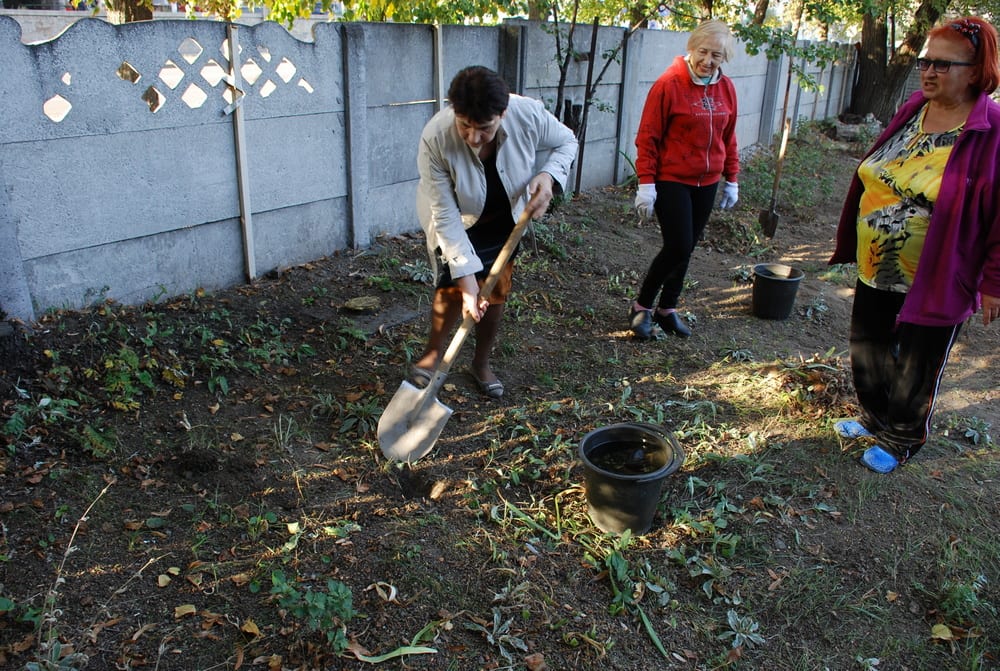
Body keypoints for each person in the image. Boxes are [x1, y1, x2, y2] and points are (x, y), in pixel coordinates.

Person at [829, 16, 1000, 473]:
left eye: (943, 64)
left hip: (941, 270)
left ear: (977, 69)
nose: (928, 71)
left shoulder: (992, 130)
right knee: (868, 347)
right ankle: (874, 416)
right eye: (925, 61)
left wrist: (994, 282)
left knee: (917, 362)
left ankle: (903, 436)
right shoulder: (912, 109)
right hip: (878, 262)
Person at [411, 66, 578, 399]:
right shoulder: (436, 136)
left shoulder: (527, 114)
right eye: (465, 125)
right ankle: (432, 356)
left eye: (484, 128)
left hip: (506, 222)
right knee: (450, 290)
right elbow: (444, 214)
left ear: (503, 113)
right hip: (459, 221)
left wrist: (548, 176)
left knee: (495, 294)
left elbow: (566, 142)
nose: (474, 137)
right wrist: (467, 282)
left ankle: (481, 363)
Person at [630, 19, 741, 340]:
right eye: (703, 52)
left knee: (688, 247)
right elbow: (647, 137)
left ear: (724, 58)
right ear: (691, 48)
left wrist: (731, 177)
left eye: (716, 55)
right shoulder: (669, 85)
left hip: (707, 182)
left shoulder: (727, 89)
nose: (708, 60)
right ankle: (642, 307)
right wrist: (646, 184)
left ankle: (668, 309)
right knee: (677, 245)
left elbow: (729, 137)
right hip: (671, 179)